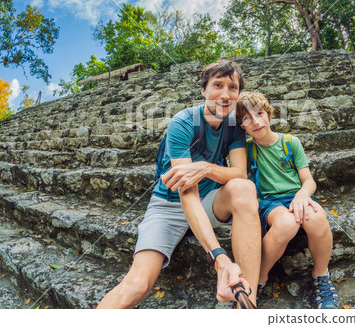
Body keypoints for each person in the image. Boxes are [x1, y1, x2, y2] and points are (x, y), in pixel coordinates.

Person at [97, 60, 261, 309]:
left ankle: (247, 303)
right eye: (218, 85)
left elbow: (239, 174)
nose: (226, 94)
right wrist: (218, 257)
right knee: (138, 284)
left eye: (233, 87)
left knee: (244, 189)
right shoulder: (183, 122)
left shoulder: (234, 128)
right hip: (169, 205)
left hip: (209, 201)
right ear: (203, 89)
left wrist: (205, 167)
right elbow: (187, 193)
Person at [235, 91, 339, 309]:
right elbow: (242, 186)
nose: (255, 121)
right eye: (246, 118)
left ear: (269, 114)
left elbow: (308, 181)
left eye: (259, 113)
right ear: (241, 125)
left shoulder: (291, 143)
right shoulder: (246, 150)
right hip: (267, 202)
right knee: (286, 223)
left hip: (295, 196)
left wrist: (302, 195)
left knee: (317, 218)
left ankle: (321, 275)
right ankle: (258, 279)